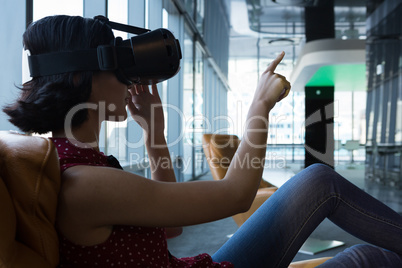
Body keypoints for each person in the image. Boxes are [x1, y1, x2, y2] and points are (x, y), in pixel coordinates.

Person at [3, 15, 402, 268]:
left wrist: (155, 137)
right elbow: (237, 194)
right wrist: (260, 104)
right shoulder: (85, 184)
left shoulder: (75, 162)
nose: (128, 83)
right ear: (80, 77)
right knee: (369, 257)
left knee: (319, 181)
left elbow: (172, 227)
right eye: (119, 69)